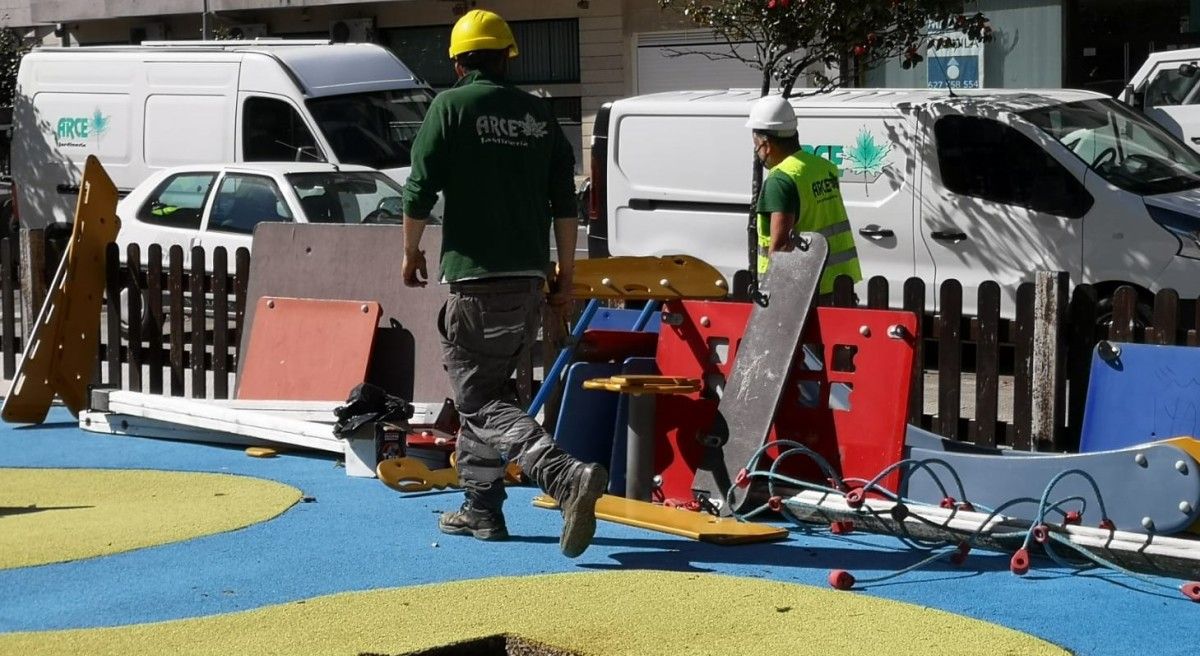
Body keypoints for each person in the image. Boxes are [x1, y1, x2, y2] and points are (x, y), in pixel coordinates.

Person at [400, 9, 607, 559]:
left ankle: (562, 476)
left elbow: (418, 189)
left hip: (476, 280)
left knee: (478, 399)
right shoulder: (539, 116)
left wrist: (409, 251)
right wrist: (564, 273)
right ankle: (482, 509)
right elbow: (566, 203)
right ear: (507, 56)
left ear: (459, 60)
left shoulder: (450, 107)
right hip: (528, 282)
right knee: (492, 393)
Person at [747, 95, 862, 299]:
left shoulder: (780, 180)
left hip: (803, 293)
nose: (757, 152)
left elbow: (781, 248)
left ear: (767, 144)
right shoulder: (824, 167)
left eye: (756, 145)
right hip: (838, 284)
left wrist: (774, 296)